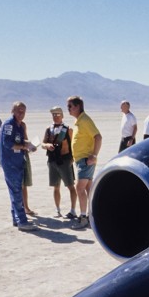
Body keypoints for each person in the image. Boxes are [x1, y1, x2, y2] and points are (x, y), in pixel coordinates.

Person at [0, 101, 38, 231]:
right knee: (16, 192)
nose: (21, 114)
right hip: (10, 163)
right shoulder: (9, 125)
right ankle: (22, 221)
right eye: (19, 111)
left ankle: (16, 219)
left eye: (23, 111)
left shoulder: (20, 126)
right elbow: (7, 143)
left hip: (18, 161)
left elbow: (20, 141)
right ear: (13, 111)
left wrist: (29, 144)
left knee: (15, 191)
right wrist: (23, 147)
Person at [67, 95, 102, 227]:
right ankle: (91, 216)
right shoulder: (79, 121)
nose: (68, 109)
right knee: (88, 189)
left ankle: (83, 218)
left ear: (77, 106)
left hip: (86, 160)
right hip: (81, 160)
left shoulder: (85, 120)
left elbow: (98, 137)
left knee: (79, 188)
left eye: (70, 106)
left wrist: (94, 156)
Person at [42, 106, 77, 217]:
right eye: (53, 114)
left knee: (71, 186)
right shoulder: (49, 129)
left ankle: (73, 210)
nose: (55, 116)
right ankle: (57, 210)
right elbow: (43, 143)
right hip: (52, 161)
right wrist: (47, 145)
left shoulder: (68, 129)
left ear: (62, 115)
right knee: (56, 186)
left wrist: (72, 159)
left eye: (57, 114)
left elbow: (73, 146)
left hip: (65, 161)